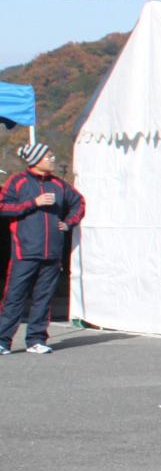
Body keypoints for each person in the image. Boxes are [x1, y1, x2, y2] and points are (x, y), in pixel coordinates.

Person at [0, 143, 85, 356]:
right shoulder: (18, 182)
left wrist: (68, 223)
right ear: (36, 160)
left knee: (43, 297)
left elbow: (79, 203)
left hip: (52, 252)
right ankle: (3, 340)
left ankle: (36, 339)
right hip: (25, 251)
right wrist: (33, 203)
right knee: (14, 297)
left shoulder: (59, 184)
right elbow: (3, 207)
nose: (53, 159)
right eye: (48, 156)